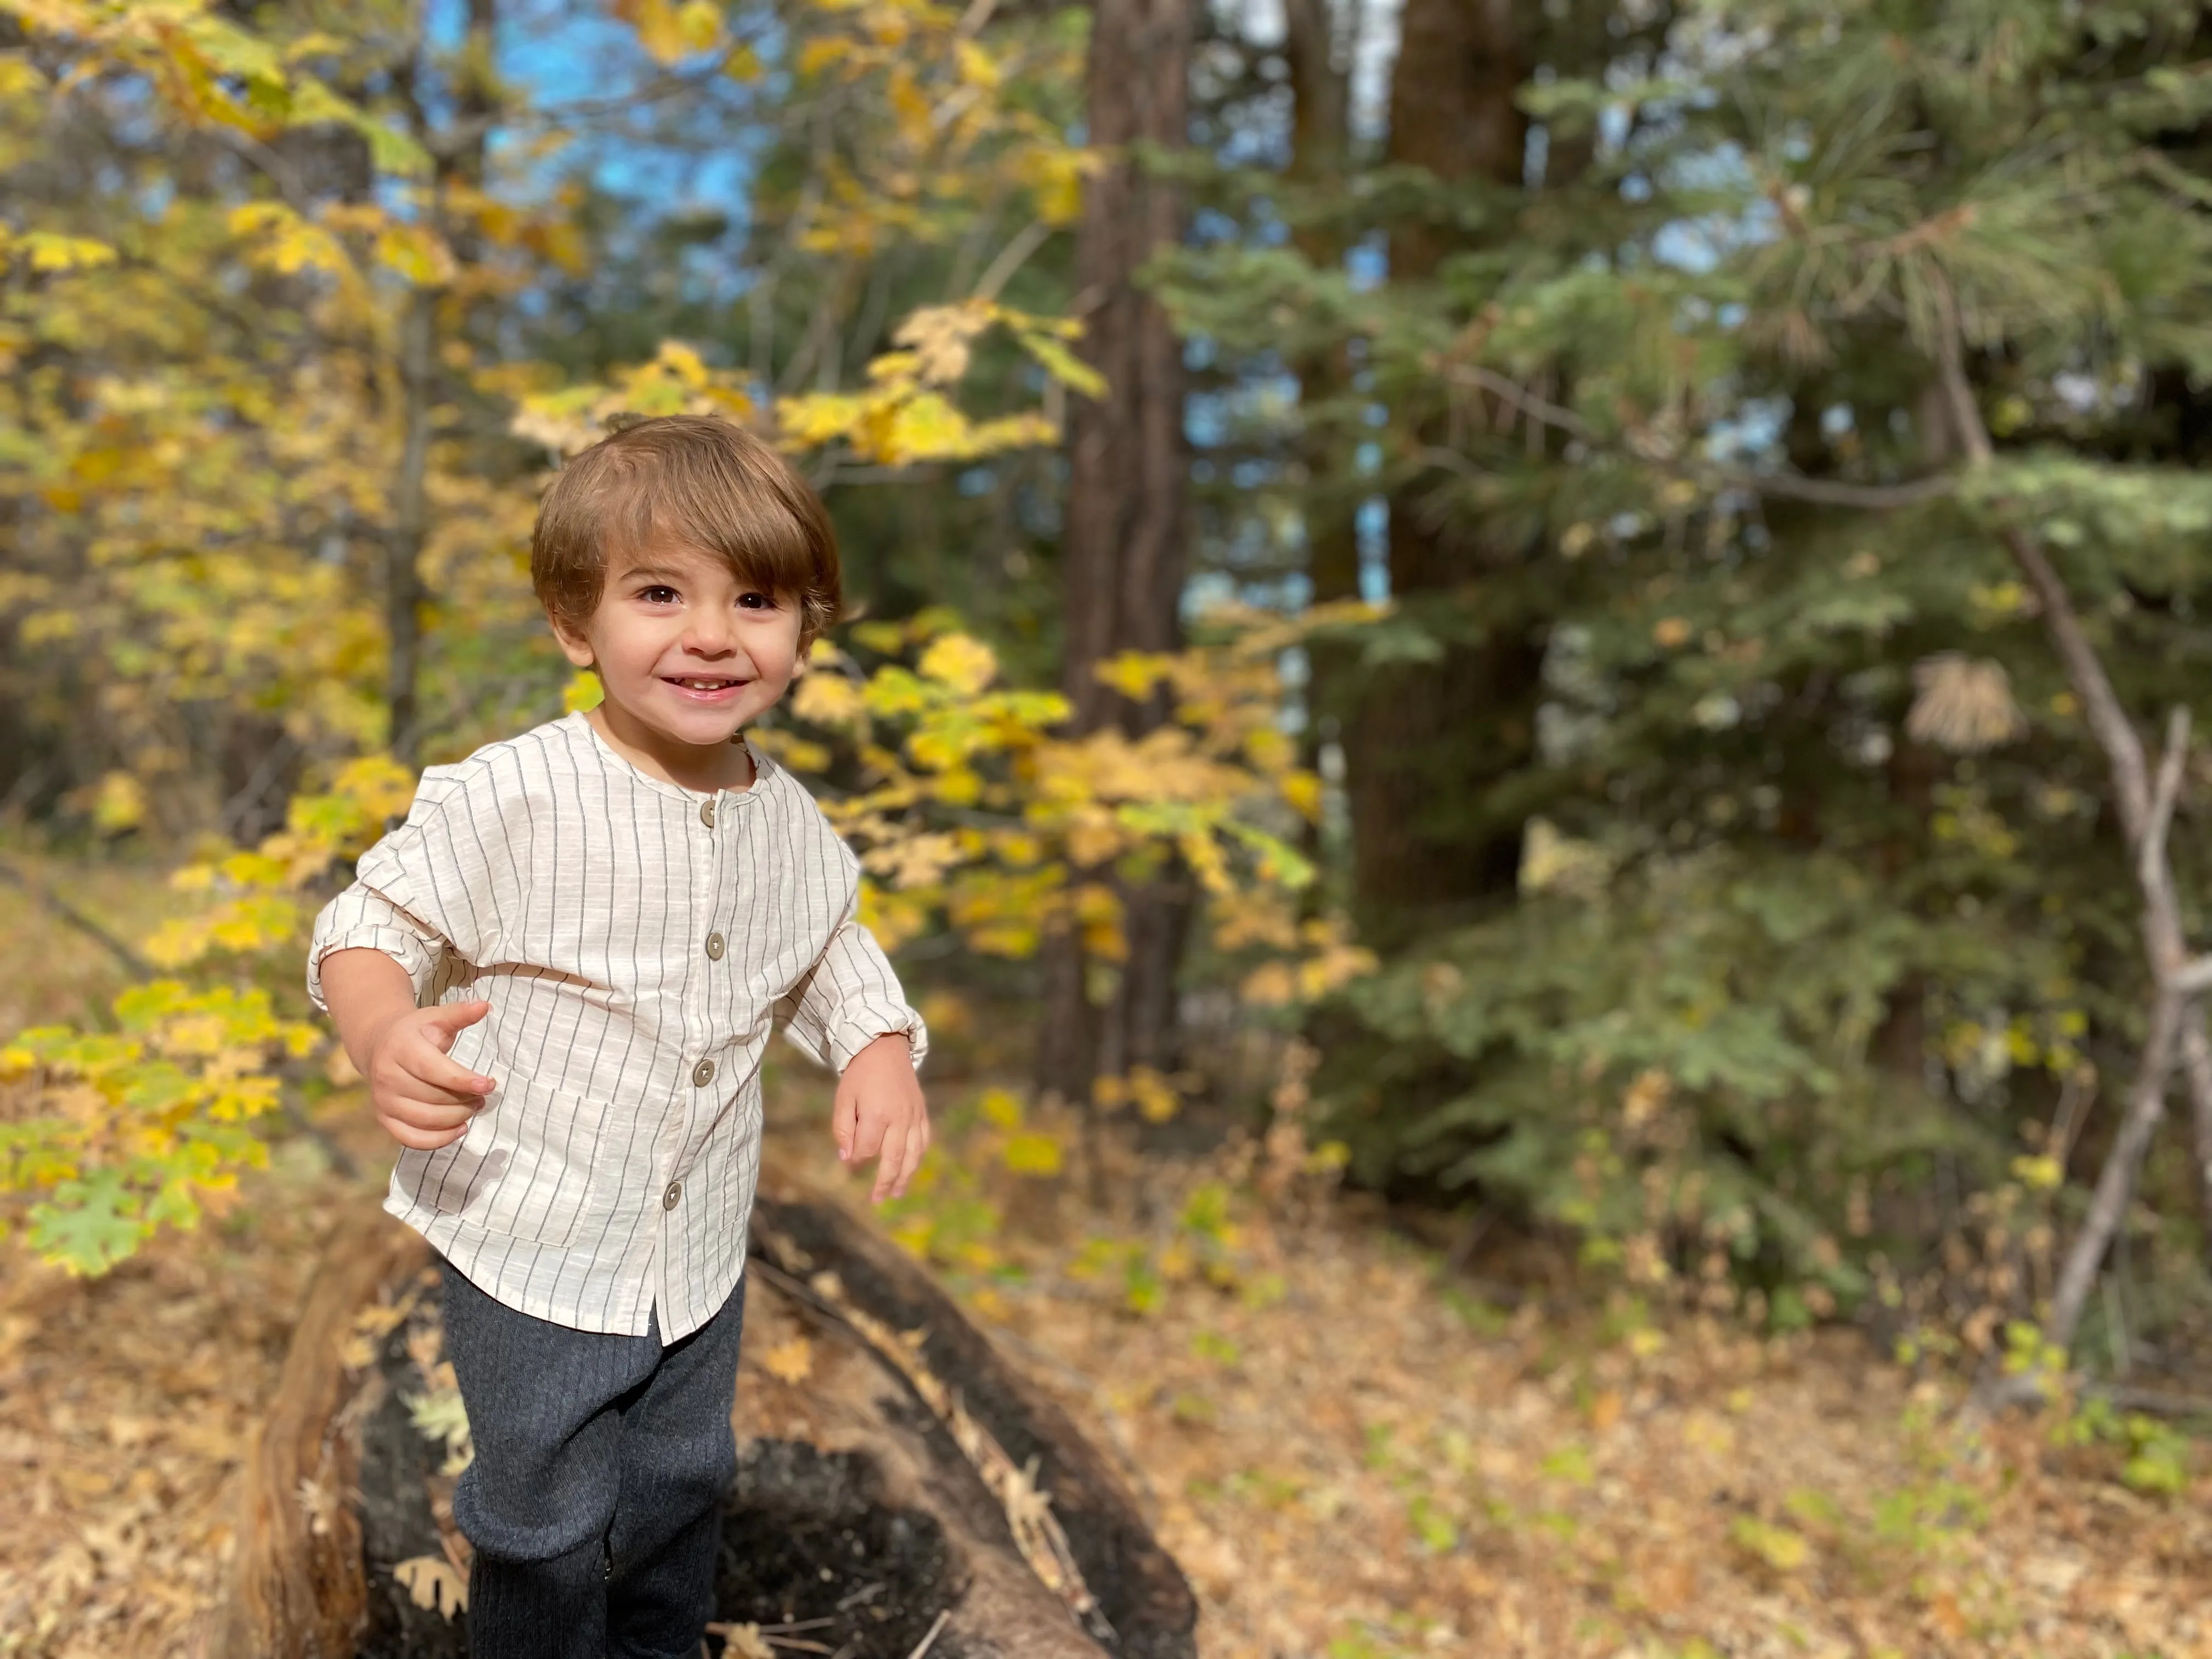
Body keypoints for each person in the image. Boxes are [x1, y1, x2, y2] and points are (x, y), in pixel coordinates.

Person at [307, 413, 930, 1659]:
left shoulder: (789, 819)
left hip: (696, 1243)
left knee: (681, 1485)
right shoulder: (518, 791)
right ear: (574, 624)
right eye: (659, 594)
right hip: (531, 1231)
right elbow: (367, 922)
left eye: (756, 598)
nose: (710, 634)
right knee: (543, 1511)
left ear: (803, 631)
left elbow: (825, 948)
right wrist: (384, 1034)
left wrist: (875, 1050)